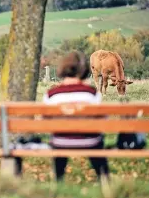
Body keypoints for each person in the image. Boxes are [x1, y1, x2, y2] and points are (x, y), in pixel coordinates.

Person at [42, 51, 110, 182]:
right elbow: (103, 120)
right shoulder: (92, 93)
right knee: (97, 143)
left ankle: (58, 182)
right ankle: (106, 182)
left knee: (59, 143)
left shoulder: (51, 95)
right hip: (90, 142)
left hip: (60, 142)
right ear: (83, 70)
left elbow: (45, 121)